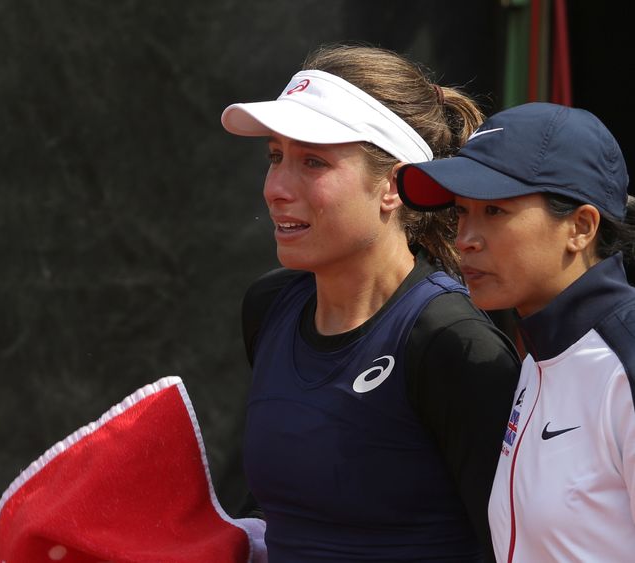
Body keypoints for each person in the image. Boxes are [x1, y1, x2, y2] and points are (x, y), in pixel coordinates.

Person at [220, 44, 520, 562]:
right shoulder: (268, 306)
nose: (276, 189)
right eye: (275, 156)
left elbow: (510, 546)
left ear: (394, 186)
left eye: (313, 161)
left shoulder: (454, 343)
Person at [396, 101, 635, 562]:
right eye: (462, 212)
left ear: (581, 227)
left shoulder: (622, 360)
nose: (466, 237)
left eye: (495, 211)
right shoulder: (540, 357)